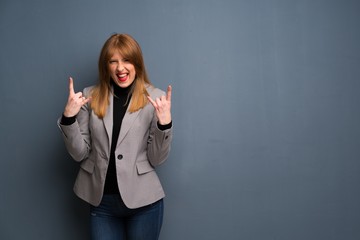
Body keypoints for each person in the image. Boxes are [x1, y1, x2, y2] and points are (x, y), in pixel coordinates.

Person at [57, 33, 173, 240]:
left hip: (144, 203)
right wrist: (68, 118)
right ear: (106, 66)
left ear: (137, 63)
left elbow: (157, 159)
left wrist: (165, 124)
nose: (120, 68)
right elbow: (79, 154)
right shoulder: (90, 96)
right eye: (113, 61)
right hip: (102, 203)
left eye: (126, 60)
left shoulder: (155, 98)